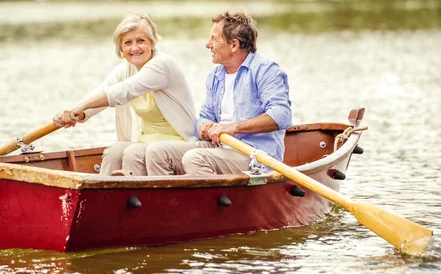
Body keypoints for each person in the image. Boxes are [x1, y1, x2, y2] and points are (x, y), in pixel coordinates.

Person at [145, 11, 292, 175]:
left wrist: (234, 128)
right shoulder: (216, 74)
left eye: (214, 39)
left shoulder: (266, 70)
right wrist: (204, 126)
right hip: (218, 148)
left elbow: (282, 115)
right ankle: (169, 201)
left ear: (234, 45)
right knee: (156, 152)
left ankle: (207, 200)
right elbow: (205, 116)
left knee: (194, 158)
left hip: (254, 155)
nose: (208, 44)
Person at [53, 12, 197, 176]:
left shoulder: (162, 65)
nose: (134, 48)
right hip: (146, 142)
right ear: (121, 48)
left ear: (152, 42)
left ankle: (137, 199)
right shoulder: (126, 69)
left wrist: (79, 107)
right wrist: (78, 114)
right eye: (128, 43)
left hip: (180, 144)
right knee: (113, 151)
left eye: (140, 41)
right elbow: (103, 92)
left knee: (132, 153)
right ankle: (102, 195)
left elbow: (121, 92)